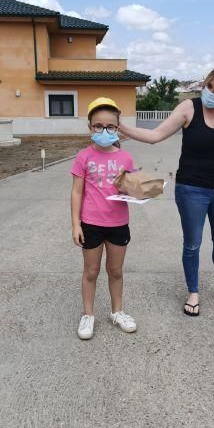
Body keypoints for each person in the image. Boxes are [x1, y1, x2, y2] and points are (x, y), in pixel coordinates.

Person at [118, 63, 214, 316]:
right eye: (209, 85)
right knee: (192, 244)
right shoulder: (189, 107)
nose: (211, 92)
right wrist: (121, 127)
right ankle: (193, 291)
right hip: (191, 189)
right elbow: (154, 136)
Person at [70, 97, 137, 339]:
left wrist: (140, 189)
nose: (104, 131)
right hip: (91, 224)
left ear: (118, 129)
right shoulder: (83, 157)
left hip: (118, 224)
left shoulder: (125, 158)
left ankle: (117, 311)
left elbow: (130, 188)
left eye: (110, 126)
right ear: (90, 128)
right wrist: (76, 224)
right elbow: (77, 191)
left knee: (116, 271)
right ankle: (88, 315)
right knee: (91, 271)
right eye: (98, 126)